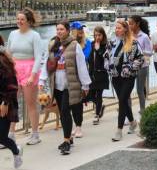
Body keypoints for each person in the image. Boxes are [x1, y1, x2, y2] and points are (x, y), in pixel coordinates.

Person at [39, 21, 91, 155]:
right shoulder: (53, 45)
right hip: (57, 84)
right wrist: (42, 79)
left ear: (67, 30)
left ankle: (66, 140)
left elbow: (81, 65)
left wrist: (85, 84)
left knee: (64, 110)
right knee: (63, 113)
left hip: (70, 84)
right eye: (57, 29)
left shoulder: (74, 45)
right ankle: (69, 136)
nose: (59, 31)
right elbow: (47, 62)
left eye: (62, 29)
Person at [7, 8, 42, 145]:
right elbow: (8, 53)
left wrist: (33, 76)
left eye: (22, 19)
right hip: (14, 70)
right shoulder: (12, 34)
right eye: (18, 19)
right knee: (12, 103)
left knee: (30, 104)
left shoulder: (34, 36)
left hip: (29, 71)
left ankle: (35, 134)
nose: (19, 21)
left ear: (28, 21)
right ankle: (10, 134)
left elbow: (39, 56)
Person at [104, 19, 144, 141]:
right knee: (124, 101)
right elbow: (106, 57)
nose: (117, 30)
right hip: (115, 76)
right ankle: (132, 122)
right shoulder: (112, 42)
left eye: (119, 28)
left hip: (128, 77)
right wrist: (108, 66)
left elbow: (141, 59)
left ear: (125, 29)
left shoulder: (133, 43)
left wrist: (130, 68)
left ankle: (119, 130)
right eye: (116, 28)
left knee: (122, 100)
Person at [0, 36, 23, 169]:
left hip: (4, 103)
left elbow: (12, 85)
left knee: (1, 137)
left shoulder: (2, 60)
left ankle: (16, 151)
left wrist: (5, 103)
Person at [70, 21, 91, 138]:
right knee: (70, 103)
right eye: (78, 30)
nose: (80, 32)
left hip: (81, 74)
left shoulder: (87, 43)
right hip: (69, 74)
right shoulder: (66, 43)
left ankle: (78, 125)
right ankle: (73, 124)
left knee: (78, 102)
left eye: (81, 30)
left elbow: (86, 57)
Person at [128, 15, 152, 115]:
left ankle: (142, 109)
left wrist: (139, 52)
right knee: (127, 90)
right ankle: (127, 111)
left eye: (131, 24)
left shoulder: (144, 36)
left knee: (139, 90)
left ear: (137, 24)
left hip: (142, 67)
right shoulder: (129, 35)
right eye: (128, 24)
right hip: (130, 66)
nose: (129, 26)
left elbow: (150, 52)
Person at [86, 26, 109, 125]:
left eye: (99, 35)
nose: (97, 37)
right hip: (92, 74)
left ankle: (97, 115)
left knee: (99, 94)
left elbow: (106, 59)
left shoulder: (106, 46)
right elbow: (90, 59)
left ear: (103, 35)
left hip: (102, 74)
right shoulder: (91, 44)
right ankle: (100, 107)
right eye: (95, 35)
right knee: (90, 95)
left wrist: (99, 50)